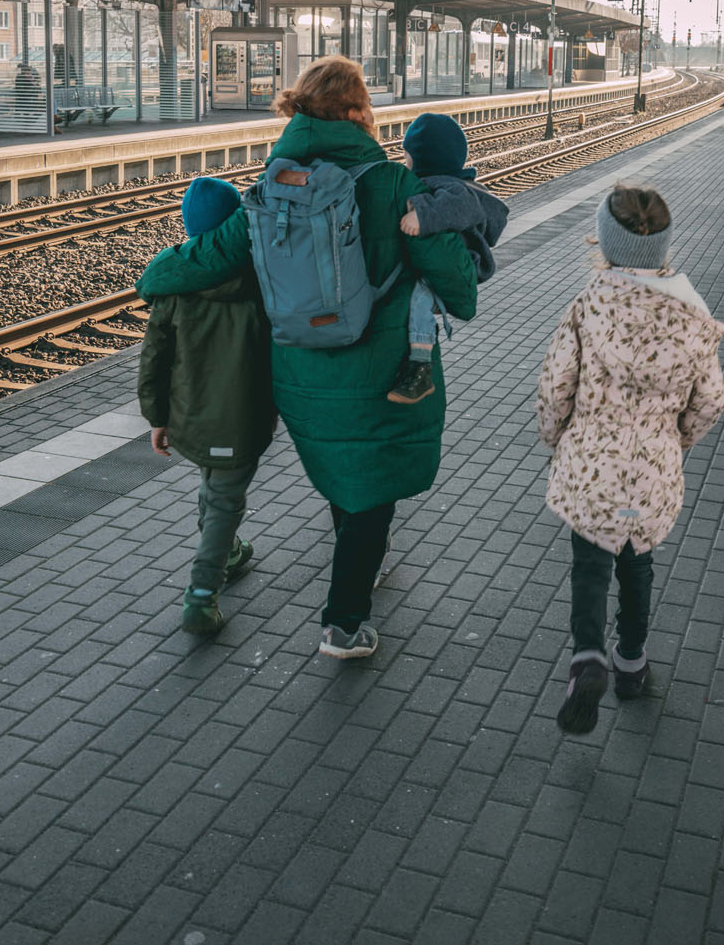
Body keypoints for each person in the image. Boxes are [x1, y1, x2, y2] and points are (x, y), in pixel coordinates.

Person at [135, 56, 477, 660]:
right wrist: (456, 287)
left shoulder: (269, 189)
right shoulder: (392, 183)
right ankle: (344, 623)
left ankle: (358, 571)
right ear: (355, 112)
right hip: (380, 372)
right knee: (371, 487)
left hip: (298, 373)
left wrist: (155, 273)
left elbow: (206, 258)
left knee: (345, 474)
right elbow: (455, 282)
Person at [535, 184, 724, 735]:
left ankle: (587, 655)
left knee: (590, 566)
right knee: (638, 560)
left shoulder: (588, 305)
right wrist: (677, 441)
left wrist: (557, 438)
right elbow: (711, 399)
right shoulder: (693, 315)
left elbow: (556, 388)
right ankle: (631, 661)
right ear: (662, 245)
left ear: (605, 242)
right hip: (652, 470)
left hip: (592, 469)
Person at [137, 175, 274, 637]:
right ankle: (200, 596)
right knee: (223, 500)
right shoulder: (260, 277)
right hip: (245, 415)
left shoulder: (174, 283)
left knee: (213, 488)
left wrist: (157, 417)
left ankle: (230, 552)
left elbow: (154, 357)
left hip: (190, 414)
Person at [388, 112, 508, 405]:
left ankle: (420, 366)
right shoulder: (443, 179)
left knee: (417, 297)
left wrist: (423, 217)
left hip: (466, 257)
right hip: (447, 258)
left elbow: (461, 206)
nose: (406, 164)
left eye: (408, 158)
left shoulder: (450, 185)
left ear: (426, 158)